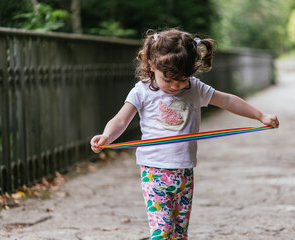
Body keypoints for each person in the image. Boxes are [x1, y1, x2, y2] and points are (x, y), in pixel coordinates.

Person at [90, 28, 279, 240]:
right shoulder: (142, 91)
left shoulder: (194, 88)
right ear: (152, 64)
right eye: (168, 79)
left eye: (181, 80)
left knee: (179, 234)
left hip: (185, 173)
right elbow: (121, 120)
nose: (175, 86)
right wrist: (106, 136)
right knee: (161, 233)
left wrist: (260, 115)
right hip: (154, 172)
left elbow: (227, 100)